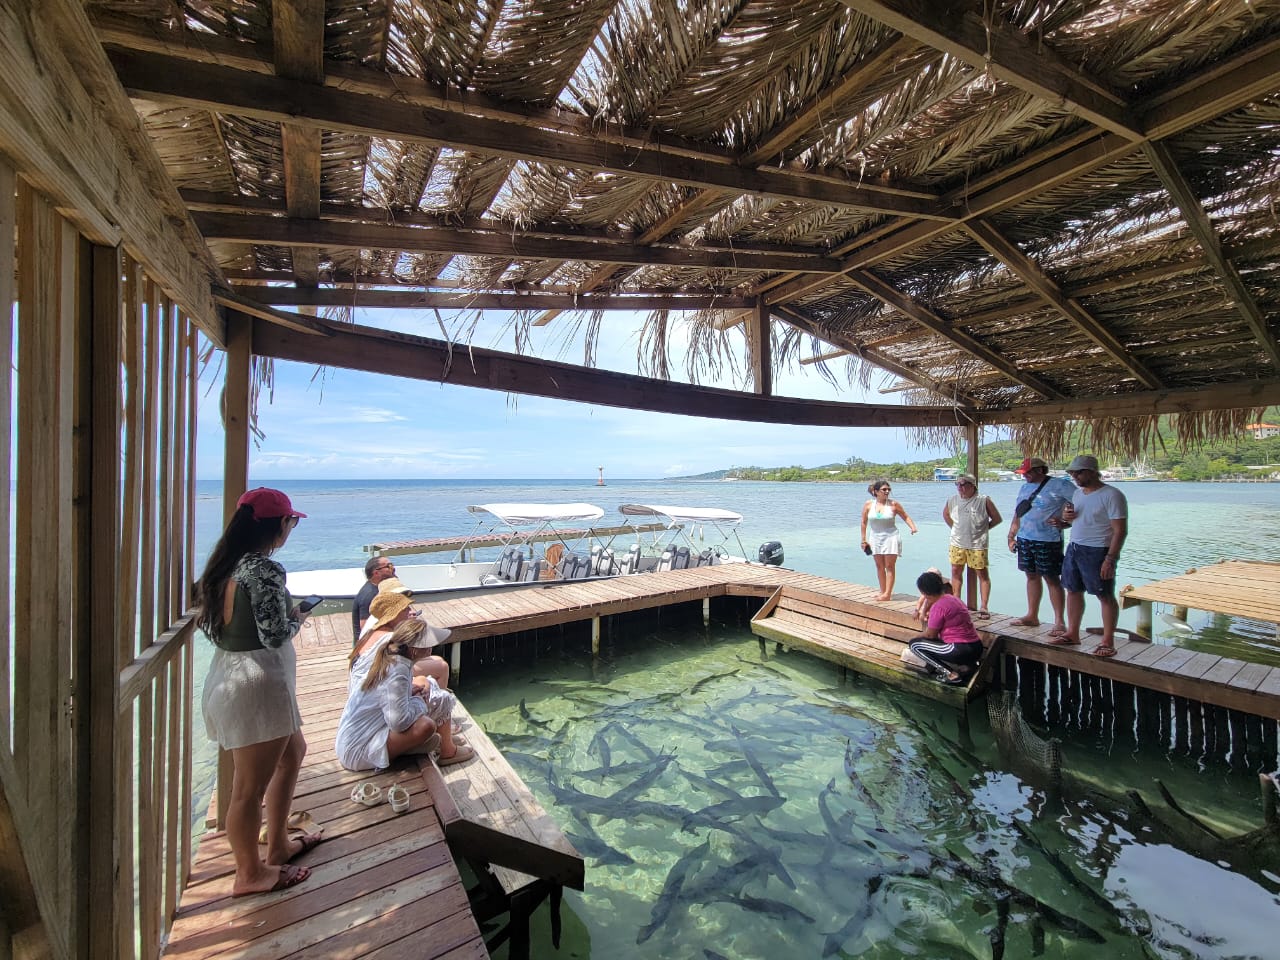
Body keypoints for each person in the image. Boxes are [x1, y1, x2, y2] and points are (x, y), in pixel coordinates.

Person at [196, 487, 319, 897]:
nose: (291, 528)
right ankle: (249, 874)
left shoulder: (222, 566)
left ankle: (278, 843)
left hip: (229, 674)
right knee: (247, 791)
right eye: (292, 521)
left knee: (293, 754)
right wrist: (298, 616)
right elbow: (274, 635)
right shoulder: (263, 570)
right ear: (280, 523)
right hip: (258, 683)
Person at [337, 590, 474, 770]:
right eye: (428, 643)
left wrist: (411, 693)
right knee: (425, 725)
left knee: (429, 690)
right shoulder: (398, 670)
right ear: (415, 649)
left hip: (355, 738)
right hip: (357, 750)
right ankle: (445, 750)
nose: (432, 647)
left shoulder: (395, 658)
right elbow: (398, 722)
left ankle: (437, 741)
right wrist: (420, 702)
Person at [1050, 454, 1128, 657]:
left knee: (1104, 595)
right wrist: (1064, 521)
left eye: (1078, 473)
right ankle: (1072, 633)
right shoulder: (1078, 494)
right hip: (1075, 547)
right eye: (1072, 473)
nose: (1074, 476)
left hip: (1098, 550)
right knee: (1072, 590)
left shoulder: (1112, 495)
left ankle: (1108, 641)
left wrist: (1110, 558)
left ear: (1092, 472)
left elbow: (1120, 530)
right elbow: (1077, 521)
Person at [1006, 457, 1077, 635]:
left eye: (1027, 473)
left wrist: (1066, 523)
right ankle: (1032, 615)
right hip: (1025, 538)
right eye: (1023, 473)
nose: (1025, 476)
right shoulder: (1024, 487)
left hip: (1048, 539)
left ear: (1039, 470)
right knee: (1031, 576)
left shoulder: (1060, 485)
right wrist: (1011, 536)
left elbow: (1083, 504)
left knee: (1051, 578)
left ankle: (1059, 621)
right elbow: (1018, 513)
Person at [908, 570, 985, 686]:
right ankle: (967, 667)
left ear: (925, 593)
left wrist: (916, 636)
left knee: (914, 645)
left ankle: (951, 674)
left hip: (959, 649)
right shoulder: (954, 599)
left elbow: (930, 635)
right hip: (976, 647)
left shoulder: (938, 606)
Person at [942, 475, 1002, 618]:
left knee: (982, 573)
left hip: (977, 544)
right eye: (957, 484)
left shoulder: (983, 500)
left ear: (972, 485)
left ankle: (984, 606)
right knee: (956, 571)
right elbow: (946, 515)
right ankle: (956, 602)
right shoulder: (952, 500)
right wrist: (955, 528)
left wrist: (983, 529)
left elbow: (997, 519)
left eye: (963, 484)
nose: (960, 487)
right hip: (957, 543)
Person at [860, 479, 918, 601]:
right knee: (879, 566)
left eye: (888, 489)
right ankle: (882, 591)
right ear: (876, 491)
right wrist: (863, 539)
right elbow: (864, 522)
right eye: (884, 490)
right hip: (875, 537)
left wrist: (912, 527)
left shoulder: (893, 504)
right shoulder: (869, 505)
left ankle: (887, 594)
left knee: (889, 566)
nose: (887, 492)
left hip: (891, 537)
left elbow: (905, 516)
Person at [352, 555, 397, 643]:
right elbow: (365, 628)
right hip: (368, 643)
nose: (393, 568)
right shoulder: (370, 595)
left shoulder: (379, 588)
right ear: (376, 573)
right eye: (389, 566)